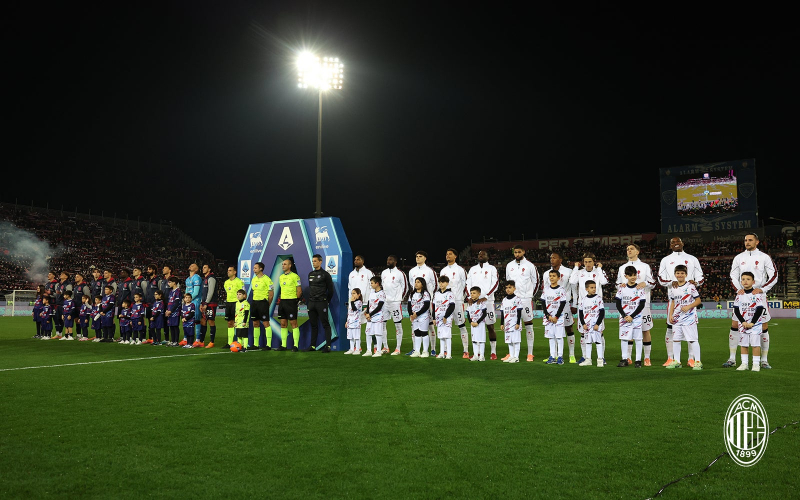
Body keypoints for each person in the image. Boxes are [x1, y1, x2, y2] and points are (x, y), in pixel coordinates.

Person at [727, 232, 777, 369]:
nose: (747, 242)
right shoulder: (739, 257)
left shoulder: (764, 257)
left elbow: (774, 275)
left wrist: (763, 289)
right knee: (735, 324)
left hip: (759, 295)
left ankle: (764, 360)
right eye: (745, 240)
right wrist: (739, 290)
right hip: (742, 296)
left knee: (763, 326)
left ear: (757, 242)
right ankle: (732, 358)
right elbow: (733, 275)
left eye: (750, 240)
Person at [658, 237, 705, 367]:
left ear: (683, 243)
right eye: (672, 242)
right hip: (674, 300)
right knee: (671, 329)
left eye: (678, 241)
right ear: (670, 245)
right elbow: (661, 278)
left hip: (689, 301)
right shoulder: (665, 260)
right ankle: (671, 358)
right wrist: (671, 282)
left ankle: (691, 359)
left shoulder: (692, 259)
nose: (676, 243)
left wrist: (696, 282)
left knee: (690, 333)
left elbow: (700, 276)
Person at [616, 244, 655, 366]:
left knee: (645, 330)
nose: (629, 251)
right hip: (626, 306)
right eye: (627, 249)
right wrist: (620, 285)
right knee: (627, 330)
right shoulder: (622, 268)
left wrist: (645, 283)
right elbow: (617, 283)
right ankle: (627, 357)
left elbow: (653, 282)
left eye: (631, 249)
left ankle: (647, 357)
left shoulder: (645, 266)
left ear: (638, 251)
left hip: (642, 304)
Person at [569, 253, 608, 364]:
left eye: (590, 261)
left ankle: (602, 357)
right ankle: (585, 356)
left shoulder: (598, 272)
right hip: (584, 306)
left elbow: (604, 282)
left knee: (599, 332)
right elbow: (572, 281)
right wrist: (575, 268)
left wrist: (599, 269)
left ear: (594, 261)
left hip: (596, 307)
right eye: (585, 262)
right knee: (583, 332)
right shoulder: (580, 272)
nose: (588, 264)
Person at [505, 245, 539, 362]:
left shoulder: (530, 266)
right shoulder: (509, 266)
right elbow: (508, 282)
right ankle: (511, 353)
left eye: (519, 252)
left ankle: (530, 353)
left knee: (528, 324)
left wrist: (530, 295)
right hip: (513, 300)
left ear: (524, 252)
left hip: (525, 299)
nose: (517, 254)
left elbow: (536, 281)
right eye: (515, 252)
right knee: (511, 325)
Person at [666, 265, 702, 370]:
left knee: (692, 340)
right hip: (677, 318)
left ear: (686, 275)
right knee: (676, 340)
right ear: (675, 274)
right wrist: (670, 315)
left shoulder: (690, 286)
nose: (680, 275)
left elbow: (698, 301)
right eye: (678, 273)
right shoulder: (673, 287)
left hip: (689, 318)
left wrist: (689, 306)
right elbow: (673, 302)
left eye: (682, 273)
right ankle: (677, 361)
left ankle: (698, 361)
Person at [541, 251, 575, 362]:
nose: (552, 260)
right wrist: (547, 313)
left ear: (560, 260)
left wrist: (575, 303)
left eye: (554, 258)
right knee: (552, 333)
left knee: (568, 327)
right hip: (551, 308)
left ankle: (571, 354)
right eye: (551, 258)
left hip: (565, 304)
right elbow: (546, 291)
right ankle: (554, 355)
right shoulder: (546, 273)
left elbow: (574, 288)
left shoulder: (568, 271)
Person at [466, 250, 499, 360]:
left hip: (487, 301)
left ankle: (493, 352)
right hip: (474, 301)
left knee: (490, 326)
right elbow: (468, 284)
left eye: (483, 254)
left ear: (487, 257)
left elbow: (495, 283)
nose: (480, 256)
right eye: (479, 254)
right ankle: (477, 353)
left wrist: (487, 296)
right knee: (475, 326)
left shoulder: (492, 268)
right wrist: (469, 296)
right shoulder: (473, 269)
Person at [733, 272, 768, 372]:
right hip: (743, 324)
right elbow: (736, 310)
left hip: (755, 324)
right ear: (741, 282)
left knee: (755, 344)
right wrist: (743, 322)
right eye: (743, 279)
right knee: (743, 344)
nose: (745, 281)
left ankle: (756, 364)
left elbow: (759, 309)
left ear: (753, 282)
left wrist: (752, 322)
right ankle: (744, 364)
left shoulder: (756, 294)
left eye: (748, 279)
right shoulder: (739, 295)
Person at [615, 266, 647, 367]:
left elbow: (642, 304)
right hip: (624, 318)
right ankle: (624, 359)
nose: (633, 277)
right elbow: (618, 303)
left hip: (636, 318)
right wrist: (624, 315)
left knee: (638, 339)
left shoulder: (640, 288)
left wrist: (632, 316)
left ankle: (638, 360)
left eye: (634, 275)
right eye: (630, 275)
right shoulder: (622, 288)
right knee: (624, 338)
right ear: (626, 276)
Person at [408, 251, 438, 355]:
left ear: (425, 258)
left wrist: (430, 296)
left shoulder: (430, 271)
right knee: (415, 326)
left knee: (430, 326)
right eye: (416, 256)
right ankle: (415, 349)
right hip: (416, 302)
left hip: (427, 301)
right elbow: (411, 285)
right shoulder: (412, 271)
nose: (418, 258)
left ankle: (432, 348)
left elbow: (435, 285)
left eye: (420, 256)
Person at [441, 248, 470, 358]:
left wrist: (461, 298)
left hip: (457, 301)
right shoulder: (443, 270)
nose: (447, 256)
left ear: (455, 256)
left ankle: (466, 350)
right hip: (445, 303)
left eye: (450, 254)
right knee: (445, 326)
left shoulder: (460, 270)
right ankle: (445, 350)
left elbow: (466, 285)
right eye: (446, 254)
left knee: (461, 325)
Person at [307, 254, 335, 352]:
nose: (313, 263)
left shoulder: (325, 274)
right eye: (313, 261)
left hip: (321, 302)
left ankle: (328, 346)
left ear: (320, 261)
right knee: (313, 325)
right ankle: (312, 346)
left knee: (325, 324)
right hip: (311, 303)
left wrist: (327, 301)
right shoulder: (310, 274)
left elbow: (331, 290)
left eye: (315, 261)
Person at [381, 255, 408, 355]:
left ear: (395, 262)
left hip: (395, 303)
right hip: (385, 303)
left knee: (398, 325)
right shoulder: (384, 273)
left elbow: (405, 287)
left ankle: (398, 348)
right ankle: (385, 347)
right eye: (387, 259)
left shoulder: (400, 273)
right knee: (382, 324)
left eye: (391, 260)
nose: (388, 261)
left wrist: (399, 299)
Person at [541, 270, 568, 365]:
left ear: (558, 278)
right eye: (550, 276)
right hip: (548, 318)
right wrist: (547, 315)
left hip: (558, 318)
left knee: (559, 337)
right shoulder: (546, 289)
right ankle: (552, 356)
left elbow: (563, 303)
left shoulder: (561, 290)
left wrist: (556, 316)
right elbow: (543, 302)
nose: (551, 277)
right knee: (551, 337)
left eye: (553, 276)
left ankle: (560, 356)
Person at [276, 258, 302, 352]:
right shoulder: (281, 277)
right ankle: (283, 345)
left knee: (293, 323)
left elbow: (299, 291)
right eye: (282, 264)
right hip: (282, 302)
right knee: (283, 324)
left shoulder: (295, 276)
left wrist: (295, 301)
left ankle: (295, 346)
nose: (283, 266)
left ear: (290, 265)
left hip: (291, 302)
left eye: (285, 264)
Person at [578, 280, 605, 367]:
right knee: (588, 342)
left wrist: (598, 324)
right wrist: (583, 324)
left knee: (598, 342)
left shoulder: (598, 299)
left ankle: (600, 360)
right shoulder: (583, 300)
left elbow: (602, 312)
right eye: (591, 287)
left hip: (596, 325)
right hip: (587, 325)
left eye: (595, 287)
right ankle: (588, 360)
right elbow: (581, 313)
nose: (594, 289)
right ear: (587, 289)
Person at [347, 255, 374, 345]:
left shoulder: (368, 273)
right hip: (354, 304)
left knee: (370, 324)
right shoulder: (351, 274)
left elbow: (373, 288)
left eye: (358, 260)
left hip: (366, 302)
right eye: (355, 259)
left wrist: (371, 301)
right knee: (354, 325)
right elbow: (350, 289)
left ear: (363, 261)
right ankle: (356, 346)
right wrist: (350, 302)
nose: (355, 261)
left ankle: (375, 346)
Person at [433, 275, 456, 359]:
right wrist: (434, 318)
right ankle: (441, 353)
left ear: (447, 283)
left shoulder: (450, 294)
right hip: (438, 317)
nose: (441, 284)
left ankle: (449, 354)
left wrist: (446, 316)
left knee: (447, 335)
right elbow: (434, 306)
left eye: (443, 282)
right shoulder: (436, 294)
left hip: (447, 318)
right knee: (441, 336)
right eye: (440, 282)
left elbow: (452, 306)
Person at [408, 277, 432, 358]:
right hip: (414, 317)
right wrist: (411, 314)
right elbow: (409, 305)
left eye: (418, 282)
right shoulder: (412, 294)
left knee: (424, 333)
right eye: (415, 282)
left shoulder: (425, 294)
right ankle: (417, 351)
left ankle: (425, 351)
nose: (416, 284)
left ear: (422, 284)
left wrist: (417, 314)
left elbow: (426, 305)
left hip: (423, 316)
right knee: (417, 333)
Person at [500, 281, 524, 364]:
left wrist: (518, 323)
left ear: (514, 288)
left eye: (510, 287)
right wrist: (501, 323)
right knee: (509, 341)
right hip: (507, 324)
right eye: (506, 288)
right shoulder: (504, 300)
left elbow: (519, 312)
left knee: (516, 341)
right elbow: (502, 312)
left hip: (514, 323)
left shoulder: (517, 299)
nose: (508, 289)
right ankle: (511, 356)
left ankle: (516, 357)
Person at [223, 266, 246, 349]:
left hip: (237, 304)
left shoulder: (239, 282)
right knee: (230, 323)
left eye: (230, 270)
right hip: (229, 304)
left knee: (238, 323)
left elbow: (244, 293)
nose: (228, 272)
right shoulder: (226, 283)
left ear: (234, 272)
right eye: (228, 270)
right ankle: (229, 343)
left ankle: (240, 343)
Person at [364, 276, 386, 357]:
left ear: (377, 283)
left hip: (378, 316)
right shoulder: (372, 292)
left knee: (378, 333)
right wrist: (367, 313)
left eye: (372, 283)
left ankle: (378, 351)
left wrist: (370, 314)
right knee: (368, 333)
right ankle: (369, 350)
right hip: (370, 316)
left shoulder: (382, 293)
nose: (371, 285)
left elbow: (379, 306)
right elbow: (369, 303)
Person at [199, 264, 219, 348]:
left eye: (205, 267)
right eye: (203, 267)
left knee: (211, 321)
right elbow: (203, 293)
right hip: (204, 303)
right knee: (203, 321)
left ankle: (212, 342)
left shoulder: (211, 278)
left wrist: (206, 303)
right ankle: (201, 341)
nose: (203, 269)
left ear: (209, 269)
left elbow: (211, 291)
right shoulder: (205, 279)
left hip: (211, 303)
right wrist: (201, 303)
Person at [183, 263, 202, 347]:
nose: (191, 266)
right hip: (188, 301)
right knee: (186, 319)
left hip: (195, 301)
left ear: (196, 269)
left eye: (193, 266)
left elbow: (196, 292)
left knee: (196, 320)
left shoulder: (197, 277)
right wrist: (185, 299)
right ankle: (185, 339)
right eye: (190, 265)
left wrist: (189, 300)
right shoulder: (187, 279)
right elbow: (187, 291)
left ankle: (197, 340)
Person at [466, 286, 487, 361]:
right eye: (471, 293)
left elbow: (484, 314)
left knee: (481, 340)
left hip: (480, 324)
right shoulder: (470, 303)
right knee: (474, 340)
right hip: (473, 324)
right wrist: (470, 322)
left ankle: (482, 356)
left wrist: (477, 322)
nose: (472, 294)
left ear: (479, 294)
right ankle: (475, 355)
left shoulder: (482, 303)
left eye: (474, 293)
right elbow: (468, 314)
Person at [53, 271, 73, 339]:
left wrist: (61, 293)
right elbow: (57, 294)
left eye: (62, 274)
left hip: (64, 304)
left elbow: (69, 294)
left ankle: (68, 334)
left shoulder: (68, 284)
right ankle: (60, 334)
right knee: (58, 319)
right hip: (58, 304)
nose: (60, 275)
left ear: (66, 276)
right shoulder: (59, 284)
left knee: (65, 320)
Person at [143, 265, 160, 344]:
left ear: (154, 270)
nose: (148, 271)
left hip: (155, 304)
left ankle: (157, 338)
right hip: (148, 304)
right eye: (147, 269)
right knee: (150, 321)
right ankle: (151, 337)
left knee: (155, 321)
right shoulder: (148, 280)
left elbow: (160, 291)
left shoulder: (158, 280)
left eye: (149, 269)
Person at [345, 288, 363, 355]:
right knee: (350, 336)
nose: (352, 295)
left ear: (359, 294)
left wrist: (352, 302)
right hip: (350, 321)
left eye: (354, 293)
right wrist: (347, 321)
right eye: (352, 293)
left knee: (356, 336)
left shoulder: (359, 302)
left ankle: (357, 349)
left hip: (356, 322)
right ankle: (351, 349)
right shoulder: (351, 302)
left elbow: (354, 309)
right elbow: (349, 312)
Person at [116, 269, 132, 342]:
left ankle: (129, 336)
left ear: (127, 274)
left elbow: (131, 293)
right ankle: (122, 336)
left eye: (123, 272)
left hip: (127, 305)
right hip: (120, 304)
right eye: (121, 272)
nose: (121, 273)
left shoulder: (130, 282)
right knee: (121, 320)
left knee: (128, 321)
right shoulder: (120, 283)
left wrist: (129, 303)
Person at [165, 277, 182, 346]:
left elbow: (177, 303)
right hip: (170, 311)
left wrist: (171, 311)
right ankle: (172, 341)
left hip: (175, 311)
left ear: (174, 283)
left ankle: (176, 341)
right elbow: (169, 301)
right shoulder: (171, 291)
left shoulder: (178, 291)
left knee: (175, 326)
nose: (168, 284)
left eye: (169, 282)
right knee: (171, 326)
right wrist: (167, 310)